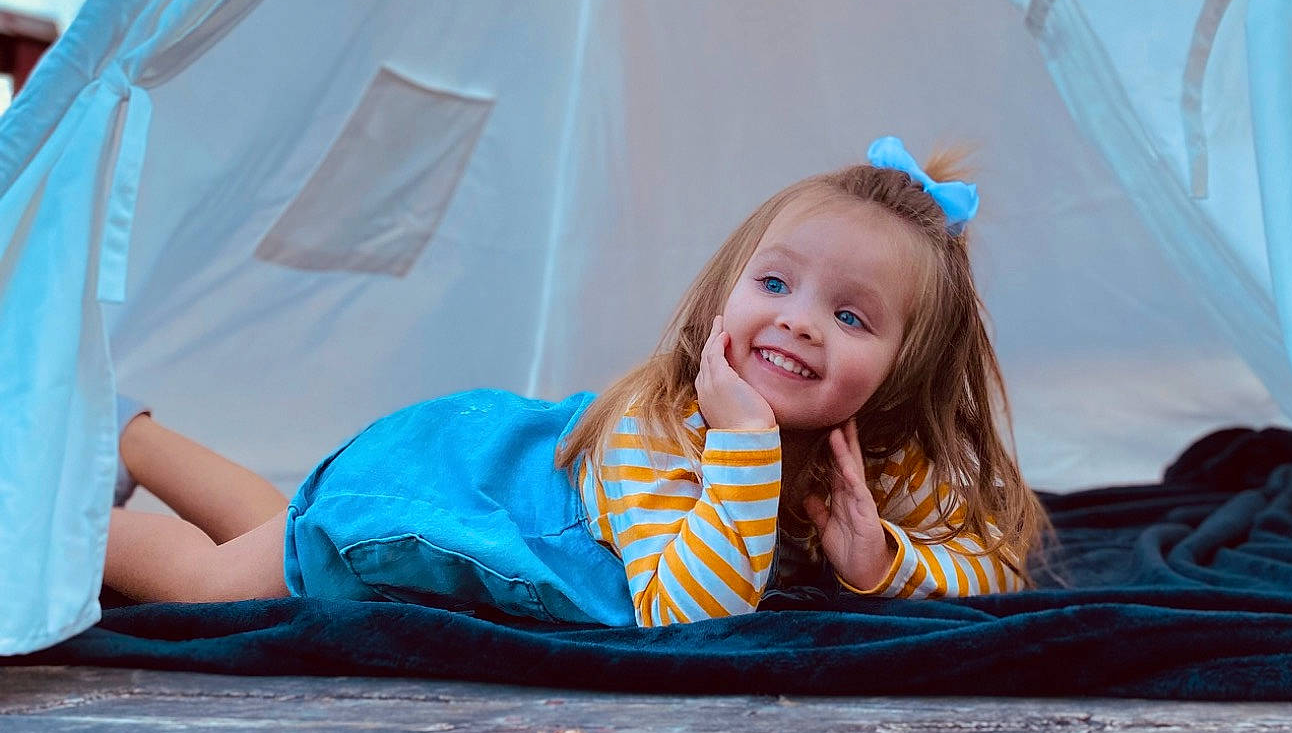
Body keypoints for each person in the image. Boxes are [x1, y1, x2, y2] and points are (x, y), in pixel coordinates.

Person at [104, 138, 1049, 623]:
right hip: (459, 483)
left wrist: (886, 561)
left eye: (850, 317)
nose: (800, 319)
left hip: (479, 462)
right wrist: (746, 447)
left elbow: (990, 567)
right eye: (775, 282)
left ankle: (129, 436)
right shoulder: (661, 423)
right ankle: (39, 522)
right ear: (727, 290)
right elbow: (684, 611)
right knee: (227, 582)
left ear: (900, 371)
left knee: (284, 524)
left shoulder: (872, 455)